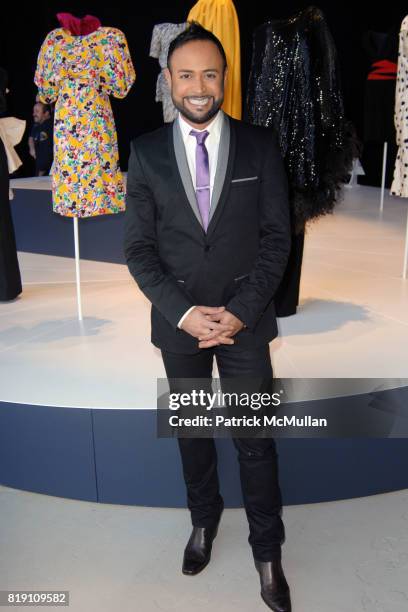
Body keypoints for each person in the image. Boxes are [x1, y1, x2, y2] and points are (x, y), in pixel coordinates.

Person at [124, 23, 292, 612]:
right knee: (193, 435)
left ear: (226, 79)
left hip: (245, 324)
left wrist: (241, 315)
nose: (199, 86)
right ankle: (203, 522)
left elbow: (277, 240)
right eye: (187, 74)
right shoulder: (144, 152)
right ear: (168, 80)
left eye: (210, 74)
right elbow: (139, 249)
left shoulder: (261, 145)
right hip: (181, 326)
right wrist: (185, 313)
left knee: (256, 441)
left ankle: (268, 554)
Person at [28, 101, 53, 176]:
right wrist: (32, 148)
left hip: (46, 173)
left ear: (46, 113)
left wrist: (41, 172)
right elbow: (31, 137)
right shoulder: (37, 125)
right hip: (39, 169)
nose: (33, 114)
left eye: (37, 111)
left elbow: (46, 154)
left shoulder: (48, 127)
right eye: (33, 111)